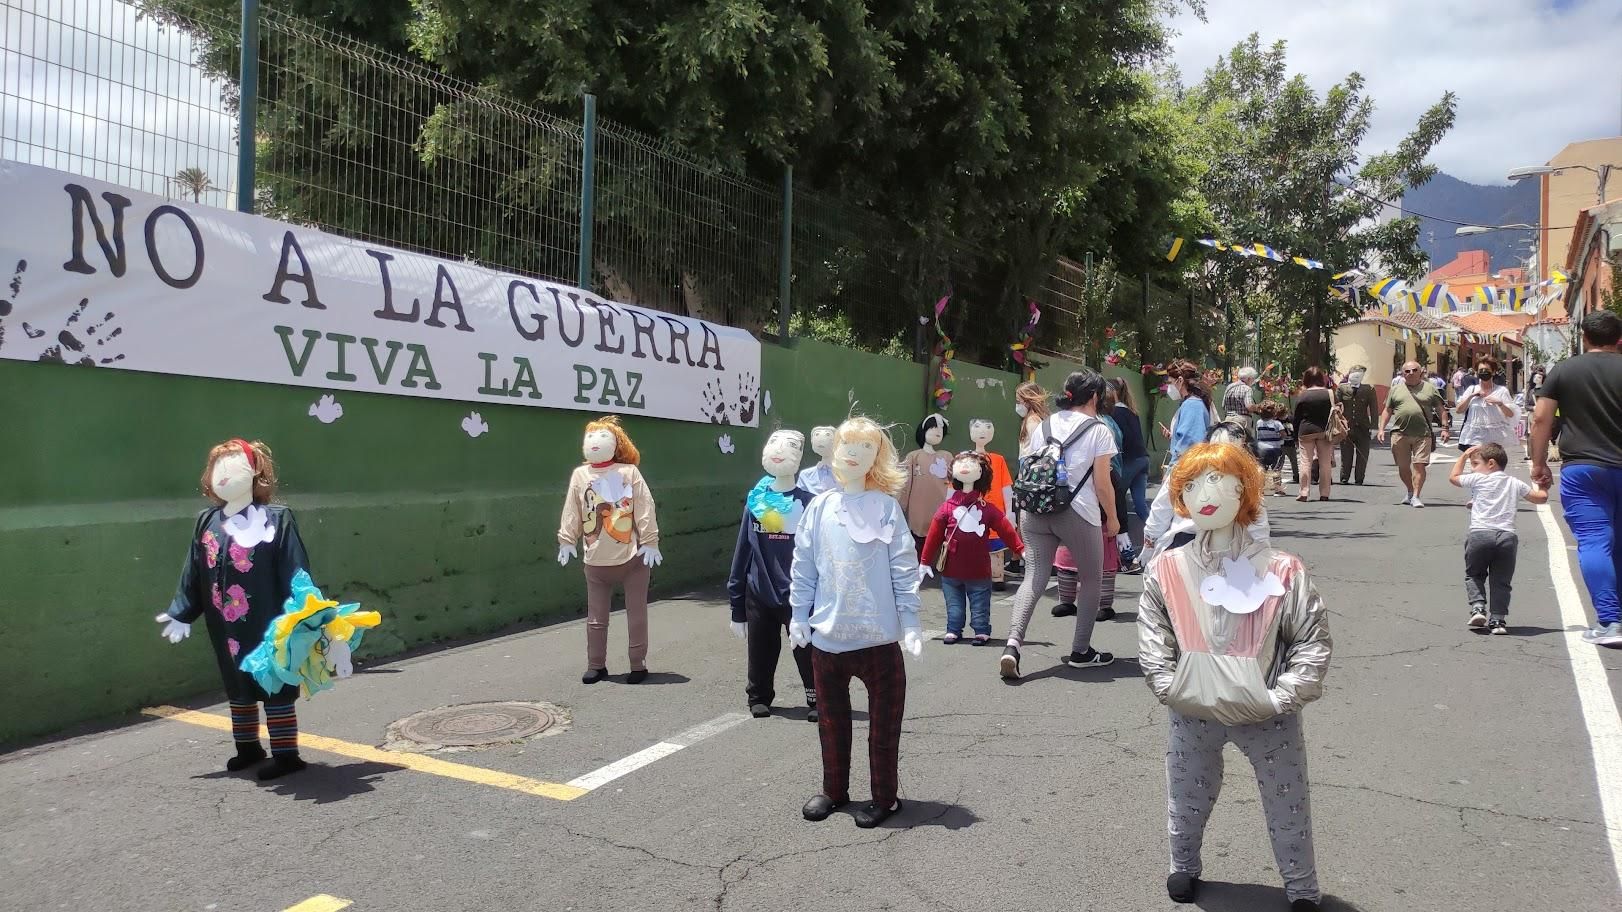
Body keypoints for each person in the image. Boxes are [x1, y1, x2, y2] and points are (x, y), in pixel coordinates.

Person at [1138, 441, 1331, 910]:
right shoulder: (1167, 568)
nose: (1205, 492)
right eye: (1191, 483)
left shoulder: (1283, 569)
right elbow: (1153, 632)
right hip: (1193, 707)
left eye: (1218, 479)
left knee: (1288, 800)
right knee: (1186, 793)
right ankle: (1182, 865)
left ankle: (1301, 885)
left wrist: (1281, 697)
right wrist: (1168, 684)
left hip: (1265, 711)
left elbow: (1311, 638)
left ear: (1245, 489)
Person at [790, 416, 923, 828]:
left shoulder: (885, 508)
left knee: (883, 727)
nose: (852, 453)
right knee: (832, 723)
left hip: (879, 638)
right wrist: (798, 614)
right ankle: (835, 790)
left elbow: (904, 564)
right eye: (847, 444)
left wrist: (912, 621)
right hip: (828, 638)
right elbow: (804, 565)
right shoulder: (819, 506)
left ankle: (885, 796)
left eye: (865, 448)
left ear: (876, 458)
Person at [1002, 369, 1120, 678]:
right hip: (1077, 513)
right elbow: (1103, 484)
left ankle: (1012, 645)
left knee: (1034, 577)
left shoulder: (1045, 424)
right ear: (1095, 397)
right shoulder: (1099, 429)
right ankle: (1081, 650)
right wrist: (1114, 519)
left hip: (1036, 509)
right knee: (1092, 579)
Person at [1530, 311, 1622, 646]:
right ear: (1619, 339)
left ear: (1584, 338)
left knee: (1596, 540)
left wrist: (1538, 464)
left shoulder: (1565, 370)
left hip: (1583, 469)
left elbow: (1541, 419)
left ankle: (1611, 622)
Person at [920, 451, 1023, 646]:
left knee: (980, 604)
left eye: (971, 463)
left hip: (979, 570)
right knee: (954, 605)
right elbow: (934, 535)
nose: (965, 465)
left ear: (982, 473)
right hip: (951, 571)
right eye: (961, 462)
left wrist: (1019, 547)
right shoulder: (947, 508)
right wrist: (925, 561)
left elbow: (1005, 529)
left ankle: (981, 629)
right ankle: (953, 629)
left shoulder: (987, 508)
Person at [1449, 443, 1549, 635]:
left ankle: (1478, 606)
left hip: (1480, 534)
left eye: (1476, 463)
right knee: (1501, 580)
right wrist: (1544, 486)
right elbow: (1540, 498)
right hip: (1507, 537)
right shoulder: (1514, 483)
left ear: (1491, 464)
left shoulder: (1478, 479)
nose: (1473, 468)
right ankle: (1498, 620)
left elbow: (1453, 478)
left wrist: (1462, 457)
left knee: (1475, 574)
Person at [1141, 422, 1272, 560]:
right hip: (1187, 546)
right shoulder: (1186, 470)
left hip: (1230, 549)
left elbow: (1256, 517)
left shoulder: (1246, 478)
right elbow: (1163, 507)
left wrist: (1261, 553)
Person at [1378, 360, 1452, 508]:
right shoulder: (1395, 389)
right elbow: (1387, 410)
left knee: (1419, 466)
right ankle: (1410, 491)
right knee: (1403, 467)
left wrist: (1445, 428)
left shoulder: (1430, 389)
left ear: (1421, 372)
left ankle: (1417, 496)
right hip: (1399, 434)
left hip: (1423, 434)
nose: (1411, 373)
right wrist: (1381, 429)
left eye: (1414, 370)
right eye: (1407, 371)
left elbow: (1441, 409)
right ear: (1402, 374)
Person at [1110, 376, 1151, 569]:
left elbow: (1119, 439)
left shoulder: (1115, 412)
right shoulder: (1131, 411)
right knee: (1141, 504)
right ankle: (1159, 538)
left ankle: (1124, 552)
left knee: (1116, 502)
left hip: (1128, 461)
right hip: (1142, 460)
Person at [1455, 356, 1519, 460]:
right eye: (1481, 370)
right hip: (1475, 436)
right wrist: (1471, 396)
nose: (1483, 372)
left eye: (1487, 370)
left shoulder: (1501, 391)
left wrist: (1500, 403)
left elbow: (1511, 414)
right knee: (1477, 465)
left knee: (1492, 467)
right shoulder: (1472, 389)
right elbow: (1458, 410)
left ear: (1493, 372)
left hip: (1495, 437)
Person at [1292, 367, 1336, 502]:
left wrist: (1295, 437)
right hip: (1325, 431)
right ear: (1321, 379)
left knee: (1305, 462)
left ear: (1306, 379)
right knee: (1325, 463)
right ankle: (1325, 493)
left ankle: (1304, 492)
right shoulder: (1329, 393)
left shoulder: (1303, 395)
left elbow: (1297, 418)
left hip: (1306, 431)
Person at [1160, 359, 1213, 469]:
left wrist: (1172, 471)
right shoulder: (1191, 403)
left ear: (1179, 380)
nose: (1168, 388)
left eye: (1170, 383)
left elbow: (1189, 445)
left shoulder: (1192, 405)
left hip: (1184, 473)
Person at [1335, 365, 1378, 485]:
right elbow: (1337, 407)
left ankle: (1359, 478)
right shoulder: (1342, 388)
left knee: (1363, 454)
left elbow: (1374, 409)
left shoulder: (1369, 389)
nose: (1357, 376)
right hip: (1346, 427)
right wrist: (1338, 424)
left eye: (1360, 374)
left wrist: (1374, 427)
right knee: (1346, 454)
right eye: (1355, 374)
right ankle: (1344, 477)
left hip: (1363, 427)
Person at [1256, 402, 1289, 496]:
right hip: (1276, 448)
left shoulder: (1259, 423)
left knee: (1262, 469)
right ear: (1274, 413)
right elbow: (1283, 435)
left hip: (1261, 449)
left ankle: (1260, 489)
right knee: (1276, 469)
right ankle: (1278, 489)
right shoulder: (1277, 424)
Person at [1222, 366, 1260, 430]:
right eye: (1252, 379)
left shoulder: (1229, 387)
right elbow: (1249, 406)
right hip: (1242, 421)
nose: (1253, 381)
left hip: (1228, 420)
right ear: (1248, 379)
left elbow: (1223, 405)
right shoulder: (1247, 389)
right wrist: (1257, 408)